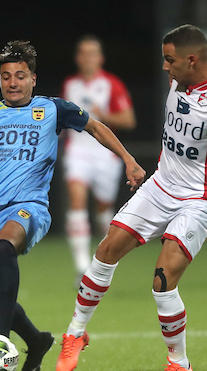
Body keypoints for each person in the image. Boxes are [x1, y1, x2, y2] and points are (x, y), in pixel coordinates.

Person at [55, 24, 207, 371]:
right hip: (160, 185)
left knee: (163, 279)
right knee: (106, 250)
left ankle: (179, 365)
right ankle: (75, 334)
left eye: (170, 60)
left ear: (192, 60)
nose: (165, 67)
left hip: (200, 198)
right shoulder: (179, 78)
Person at [0, 40, 145, 371]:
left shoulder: (53, 109)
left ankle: (1, 338)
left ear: (33, 79)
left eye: (20, 76)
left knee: (4, 247)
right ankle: (37, 341)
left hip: (30, 207)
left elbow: (96, 127)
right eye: (6, 77)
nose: (12, 83)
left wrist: (128, 159)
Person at [61, 35, 137, 285]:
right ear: (77, 58)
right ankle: (81, 267)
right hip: (77, 151)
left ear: (101, 58)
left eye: (92, 53)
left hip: (105, 154)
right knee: (77, 201)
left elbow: (129, 120)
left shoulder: (111, 84)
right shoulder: (70, 85)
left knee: (104, 210)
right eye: (83, 53)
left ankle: (101, 263)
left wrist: (104, 115)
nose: (87, 58)